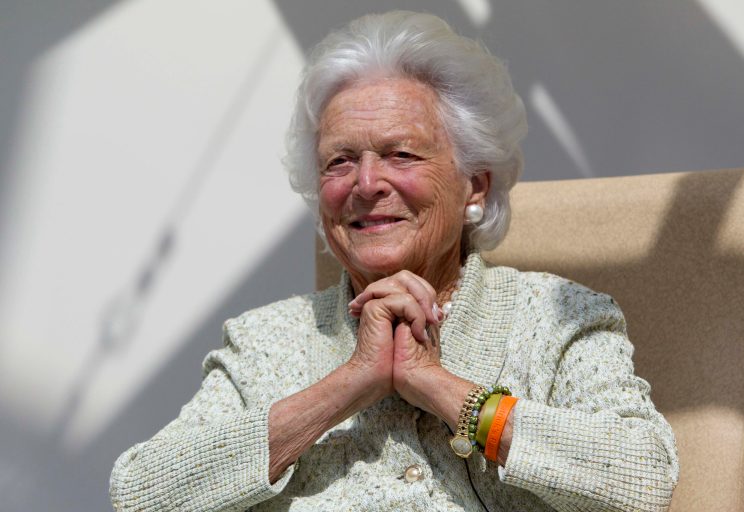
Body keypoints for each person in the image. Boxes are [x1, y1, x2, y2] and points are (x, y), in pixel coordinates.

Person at [110, 11, 678, 512]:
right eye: (339, 162)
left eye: (400, 154)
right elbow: (141, 495)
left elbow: (641, 478)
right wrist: (348, 385)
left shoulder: (557, 320)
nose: (365, 184)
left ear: (474, 187)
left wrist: (440, 388)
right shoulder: (265, 342)